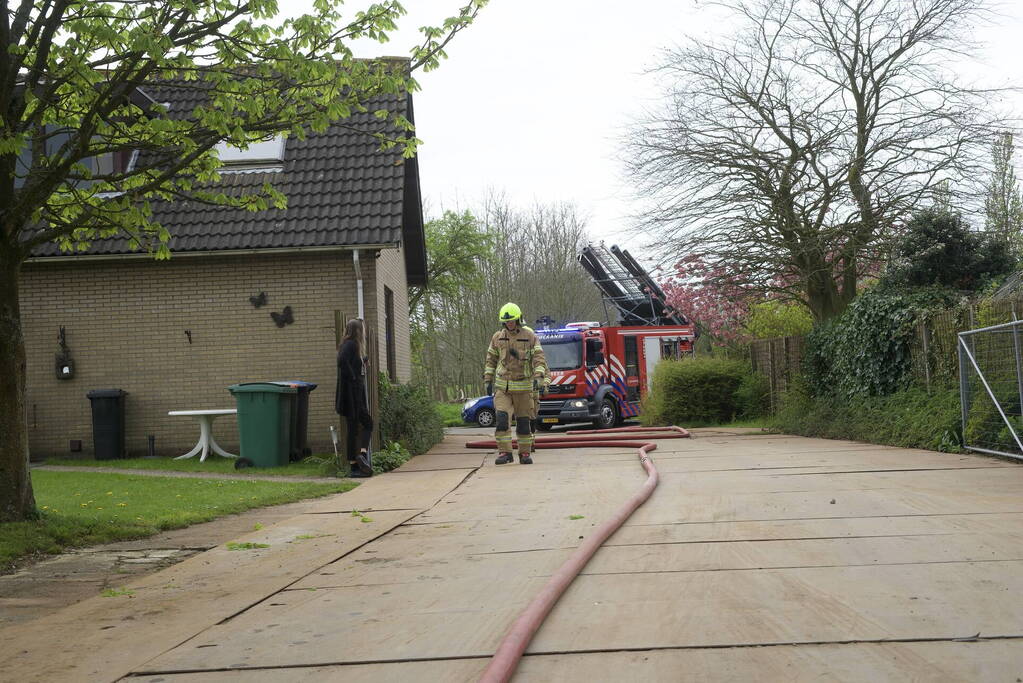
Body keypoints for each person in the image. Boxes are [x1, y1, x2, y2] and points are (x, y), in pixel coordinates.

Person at [483, 303, 547, 465]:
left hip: (523, 388)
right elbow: (491, 359)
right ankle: (505, 452)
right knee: (502, 419)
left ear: (518, 319)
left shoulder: (529, 335)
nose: (509, 324)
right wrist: (488, 379)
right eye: (506, 322)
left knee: (524, 422)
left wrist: (539, 377)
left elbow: (539, 358)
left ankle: (524, 453)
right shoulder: (497, 337)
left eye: (512, 320)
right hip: (503, 387)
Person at [335, 318, 373, 478]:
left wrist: (363, 360)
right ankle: (354, 466)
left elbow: (350, 361)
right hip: (351, 395)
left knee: (364, 424)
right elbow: (342, 361)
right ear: (358, 330)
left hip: (354, 393)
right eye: (361, 329)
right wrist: (353, 378)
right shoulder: (351, 344)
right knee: (356, 427)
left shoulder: (350, 345)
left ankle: (360, 457)